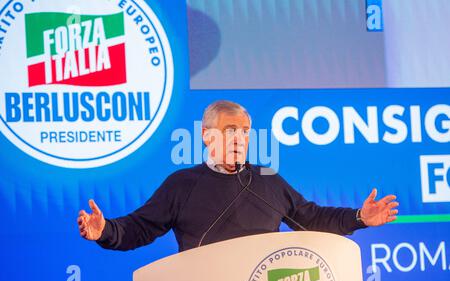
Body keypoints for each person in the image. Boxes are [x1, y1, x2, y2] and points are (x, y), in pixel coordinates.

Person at [77, 100, 399, 252]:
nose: (239, 138)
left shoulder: (267, 178)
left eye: (244, 131)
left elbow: (309, 217)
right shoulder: (183, 184)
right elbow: (140, 228)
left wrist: (359, 217)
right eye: (230, 130)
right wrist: (106, 229)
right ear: (206, 136)